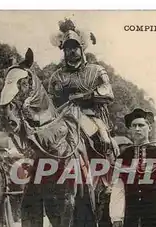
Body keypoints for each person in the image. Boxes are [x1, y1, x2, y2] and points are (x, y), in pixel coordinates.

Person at [48, 19, 115, 155]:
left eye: (74, 47)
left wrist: (84, 96)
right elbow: (50, 101)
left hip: (91, 116)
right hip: (63, 118)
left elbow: (108, 92)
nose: (71, 51)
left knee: (105, 141)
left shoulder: (96, 70)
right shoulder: (57, 76)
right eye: (68, 48)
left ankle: (105, 169)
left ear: (82, 48)